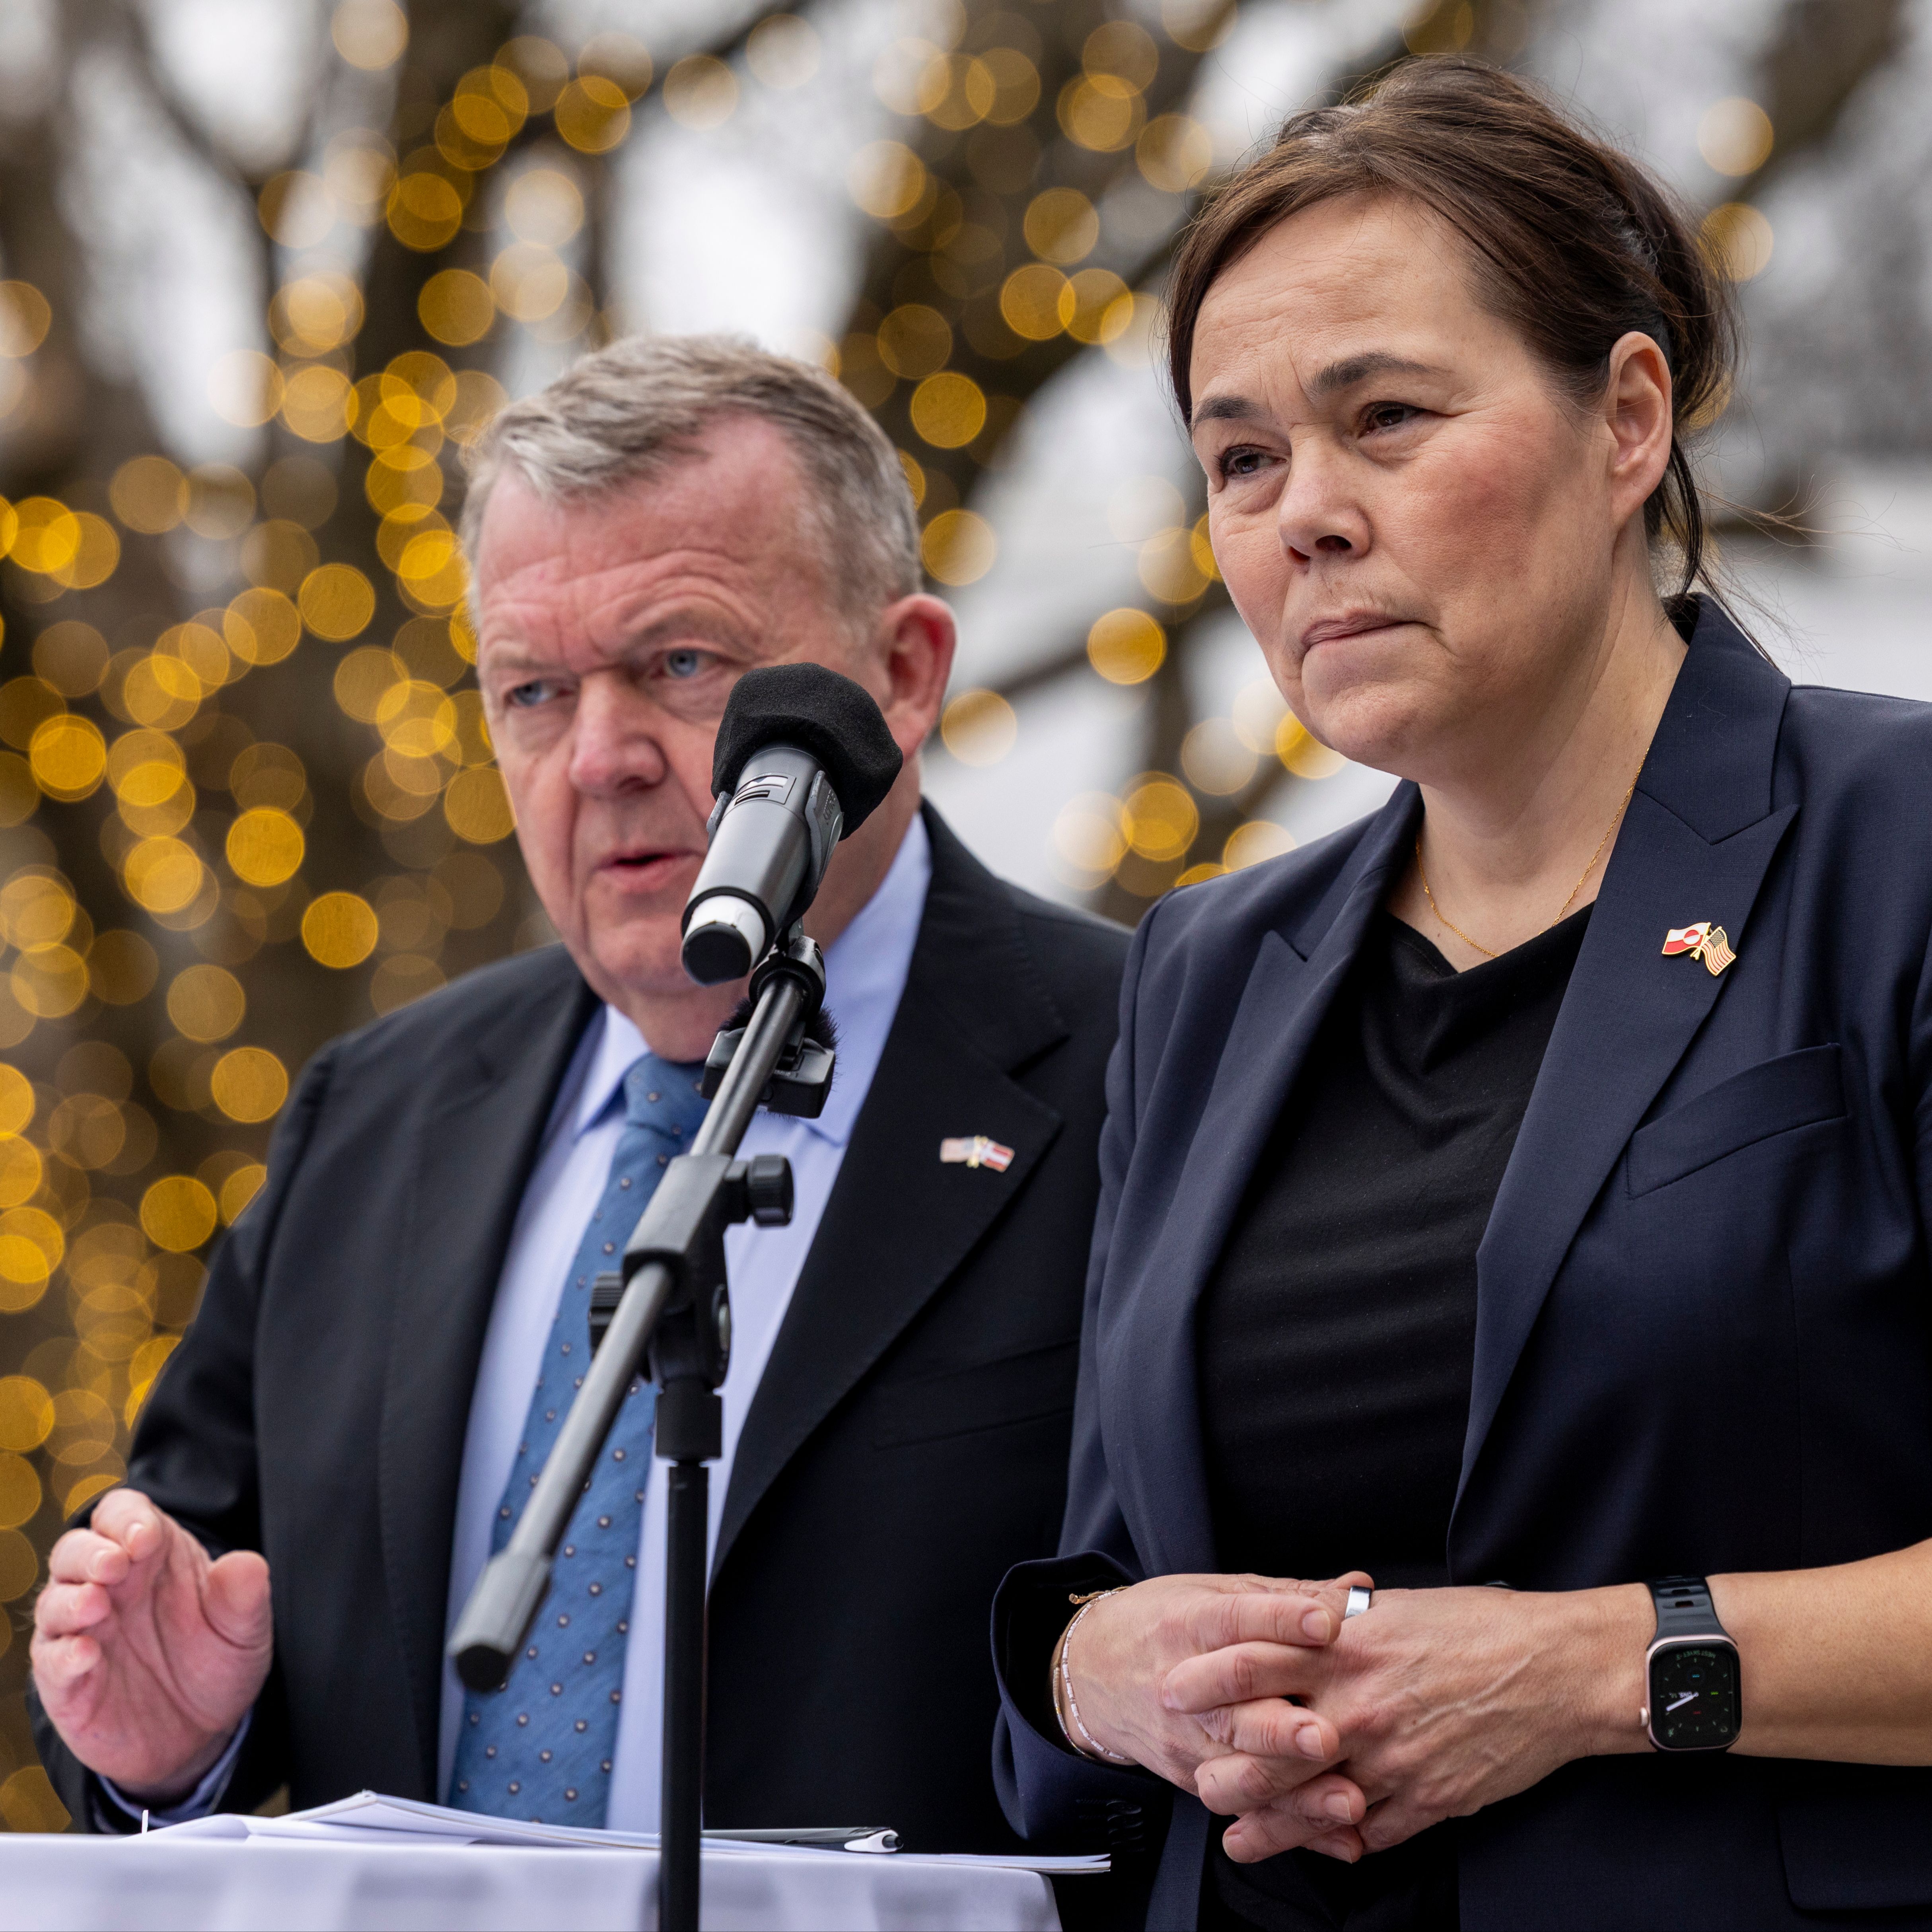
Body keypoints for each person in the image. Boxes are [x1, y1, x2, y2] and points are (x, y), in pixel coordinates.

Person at [990, 56, 1932, 1932]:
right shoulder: (1206, 969)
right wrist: (1101, 1675)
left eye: (1388, 417)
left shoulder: (1897, 850)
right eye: (1242, 458)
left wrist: (1596, 1672)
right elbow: (1100, 1568)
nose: (1304, 517)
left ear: (1628, 420)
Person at [29, 335, 1128, 1851]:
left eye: (681, 662)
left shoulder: (1150, 1065)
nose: (600, 757)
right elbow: (201, 1602)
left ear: (903, 674)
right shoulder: (376, 1113)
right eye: (533, 691)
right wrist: (168, 1748)